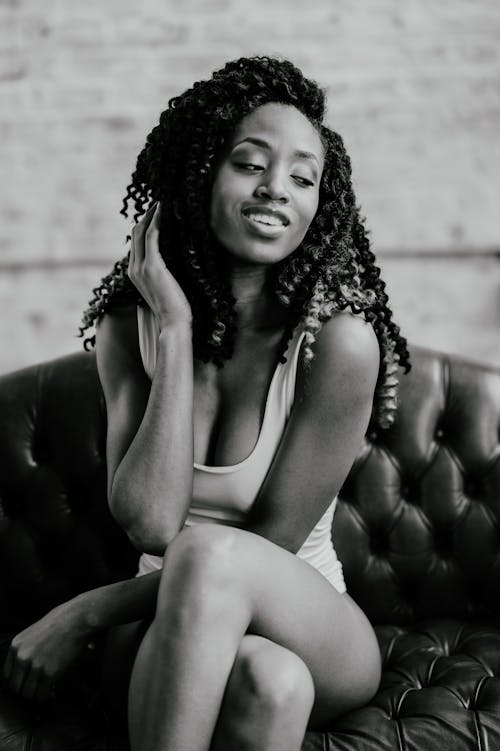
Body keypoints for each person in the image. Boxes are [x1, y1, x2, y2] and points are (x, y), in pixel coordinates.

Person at [3, 56, 410, 751]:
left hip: (308, 616)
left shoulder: (338, 345)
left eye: (303, 178)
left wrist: (86, 612)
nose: (277, 190)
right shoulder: (130, 332)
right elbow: (151, 522)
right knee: (268, 681)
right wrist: (175, 326)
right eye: (250, 164)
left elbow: (264, 547)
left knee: (215, 561)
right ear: (198, 172)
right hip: (164, 621)